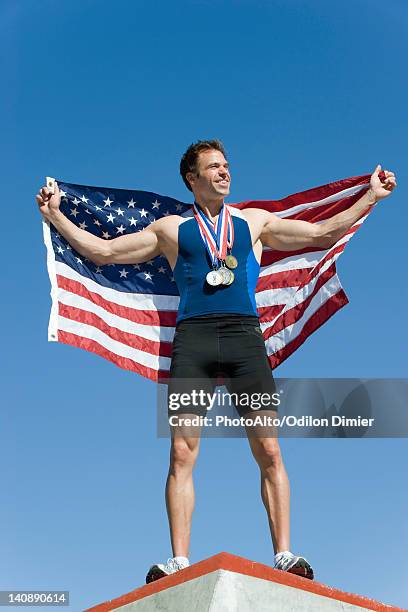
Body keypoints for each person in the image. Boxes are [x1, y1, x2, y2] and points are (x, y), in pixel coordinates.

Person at [35, 140, 396, 583]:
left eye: (226, 165)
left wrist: (371, 198)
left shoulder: (253, 222)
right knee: (182, 451)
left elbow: (322, 232)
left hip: (246, 339)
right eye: (214, 167)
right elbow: (105, 251)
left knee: (268, 448)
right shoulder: (170, 229)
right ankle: (179, 561)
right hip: (194, 342)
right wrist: (55, 216)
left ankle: (284, 554)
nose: (225, 173)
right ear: (192, 178)